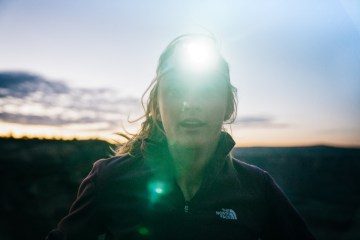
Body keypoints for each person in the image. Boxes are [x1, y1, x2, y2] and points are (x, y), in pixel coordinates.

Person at [46, 34, 315, 240]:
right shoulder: (109, 179)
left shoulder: (257, 188)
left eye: (207, 90)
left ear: (227, 107)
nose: (191, 104)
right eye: (176, 91)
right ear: (156, 108)